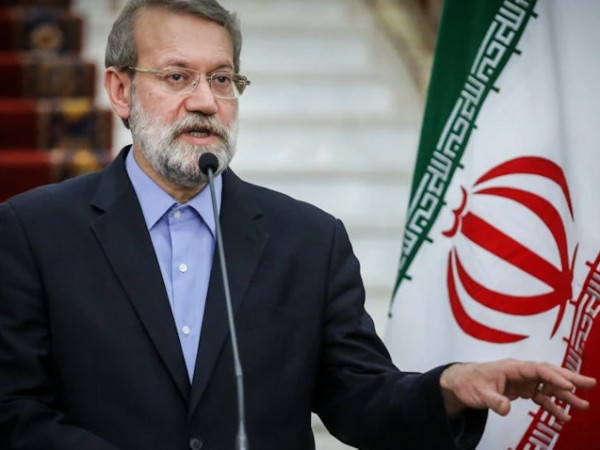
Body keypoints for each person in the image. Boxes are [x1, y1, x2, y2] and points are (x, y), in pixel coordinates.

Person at [0, 1, 595, 449]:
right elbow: (14, 410)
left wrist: (447, 389)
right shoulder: (34, 232)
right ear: (120, 89)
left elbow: (359, 395)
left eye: (222, 79)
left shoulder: (308, 240)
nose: (205, 101)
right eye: (177, 76)